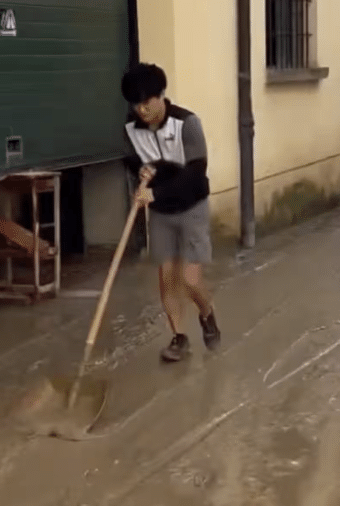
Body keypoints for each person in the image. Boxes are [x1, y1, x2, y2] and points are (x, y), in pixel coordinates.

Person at [120, 63, 221, 362]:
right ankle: (179, 338)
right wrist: (141, 174)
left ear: (161, 96)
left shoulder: (187, 124)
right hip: (161, 213)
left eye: (147, 102)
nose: (142, 109)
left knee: (190, 280)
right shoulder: (131, 129)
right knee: (167, 279)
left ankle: (207, 314)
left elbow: (195, 172)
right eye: (136, 104)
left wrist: (156, 191)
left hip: (192, 207)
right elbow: (131, 161)